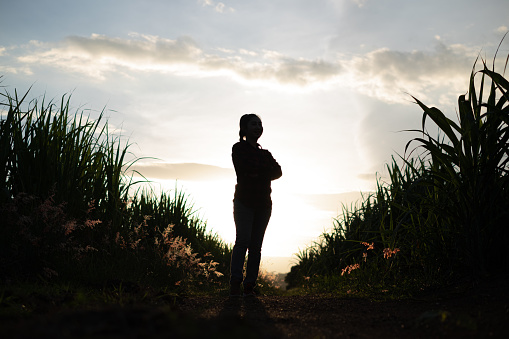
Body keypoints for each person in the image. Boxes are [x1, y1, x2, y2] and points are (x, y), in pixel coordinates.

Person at [230, 113, 282, 297]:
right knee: (242, 241)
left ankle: (249, 285)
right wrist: (263, 172)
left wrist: (257, 173)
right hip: (244, 201)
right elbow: (244, 169)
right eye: (254, 124)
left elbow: (278, 171)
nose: (258, 127)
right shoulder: (238, 149)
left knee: (256, 246)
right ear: (244, 128)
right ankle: (235, 282)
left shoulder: (265, 153)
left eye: (260, 124)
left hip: (264, 204)